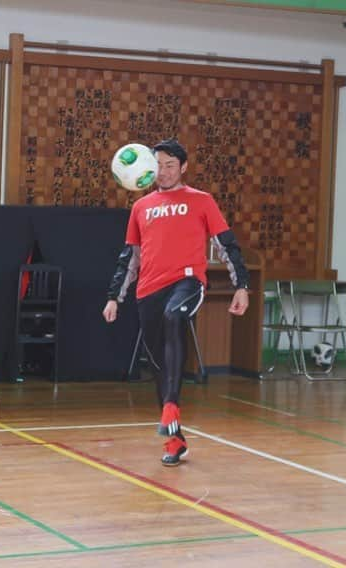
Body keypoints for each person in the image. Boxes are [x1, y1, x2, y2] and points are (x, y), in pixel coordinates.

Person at [103, 139, 250, 467]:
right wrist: (115, 296)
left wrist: (242, 286)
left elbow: (226, 244)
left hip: (186, 282)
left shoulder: (201, 201)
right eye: (159, 166)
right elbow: (130, 256)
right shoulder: (141, 207)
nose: (164, 171)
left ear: (183, 167)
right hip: (147, 291)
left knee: (173, 317)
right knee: (159, 366)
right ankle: (175, 439)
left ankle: (171, 404)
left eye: (171, 165)